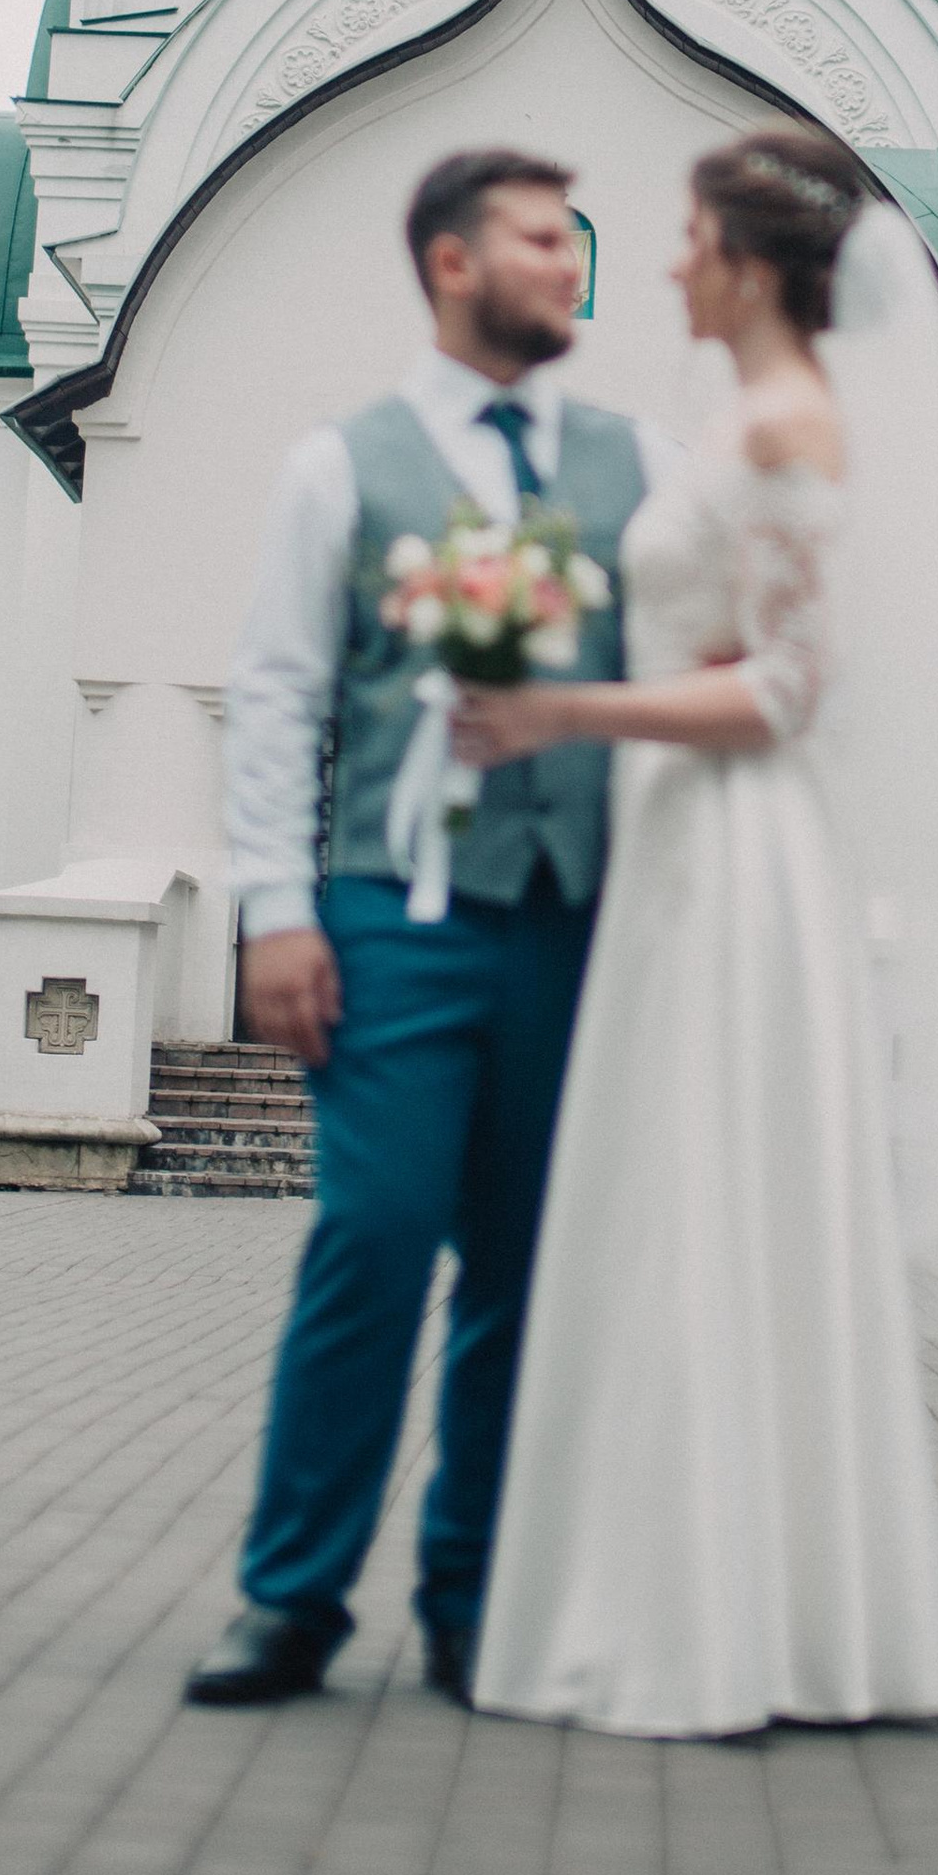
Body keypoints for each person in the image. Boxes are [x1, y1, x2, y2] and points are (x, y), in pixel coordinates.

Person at [450, 122, 938, 1739]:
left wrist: (561, 712)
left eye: (686, 235)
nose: (665, 261)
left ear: (744, 260)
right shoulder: (740, 422)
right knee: (667, 1206)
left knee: (712, 1200)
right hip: (680, 843)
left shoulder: (796, 424)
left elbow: (795, 689)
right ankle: (694, 1597)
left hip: (741, 858)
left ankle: (732, 1628)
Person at [184, 145, 667, 1710]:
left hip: (576, 923)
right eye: (537, 238)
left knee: (529, 1270)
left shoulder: (639, 464)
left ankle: (475, 1603)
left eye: (572, 239)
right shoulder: (342, 468)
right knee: (375, 1237)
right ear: (452, 264)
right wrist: (274, 910)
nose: (567, 262)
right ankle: (293, 1597)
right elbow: (279, 694)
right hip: (395, 915)